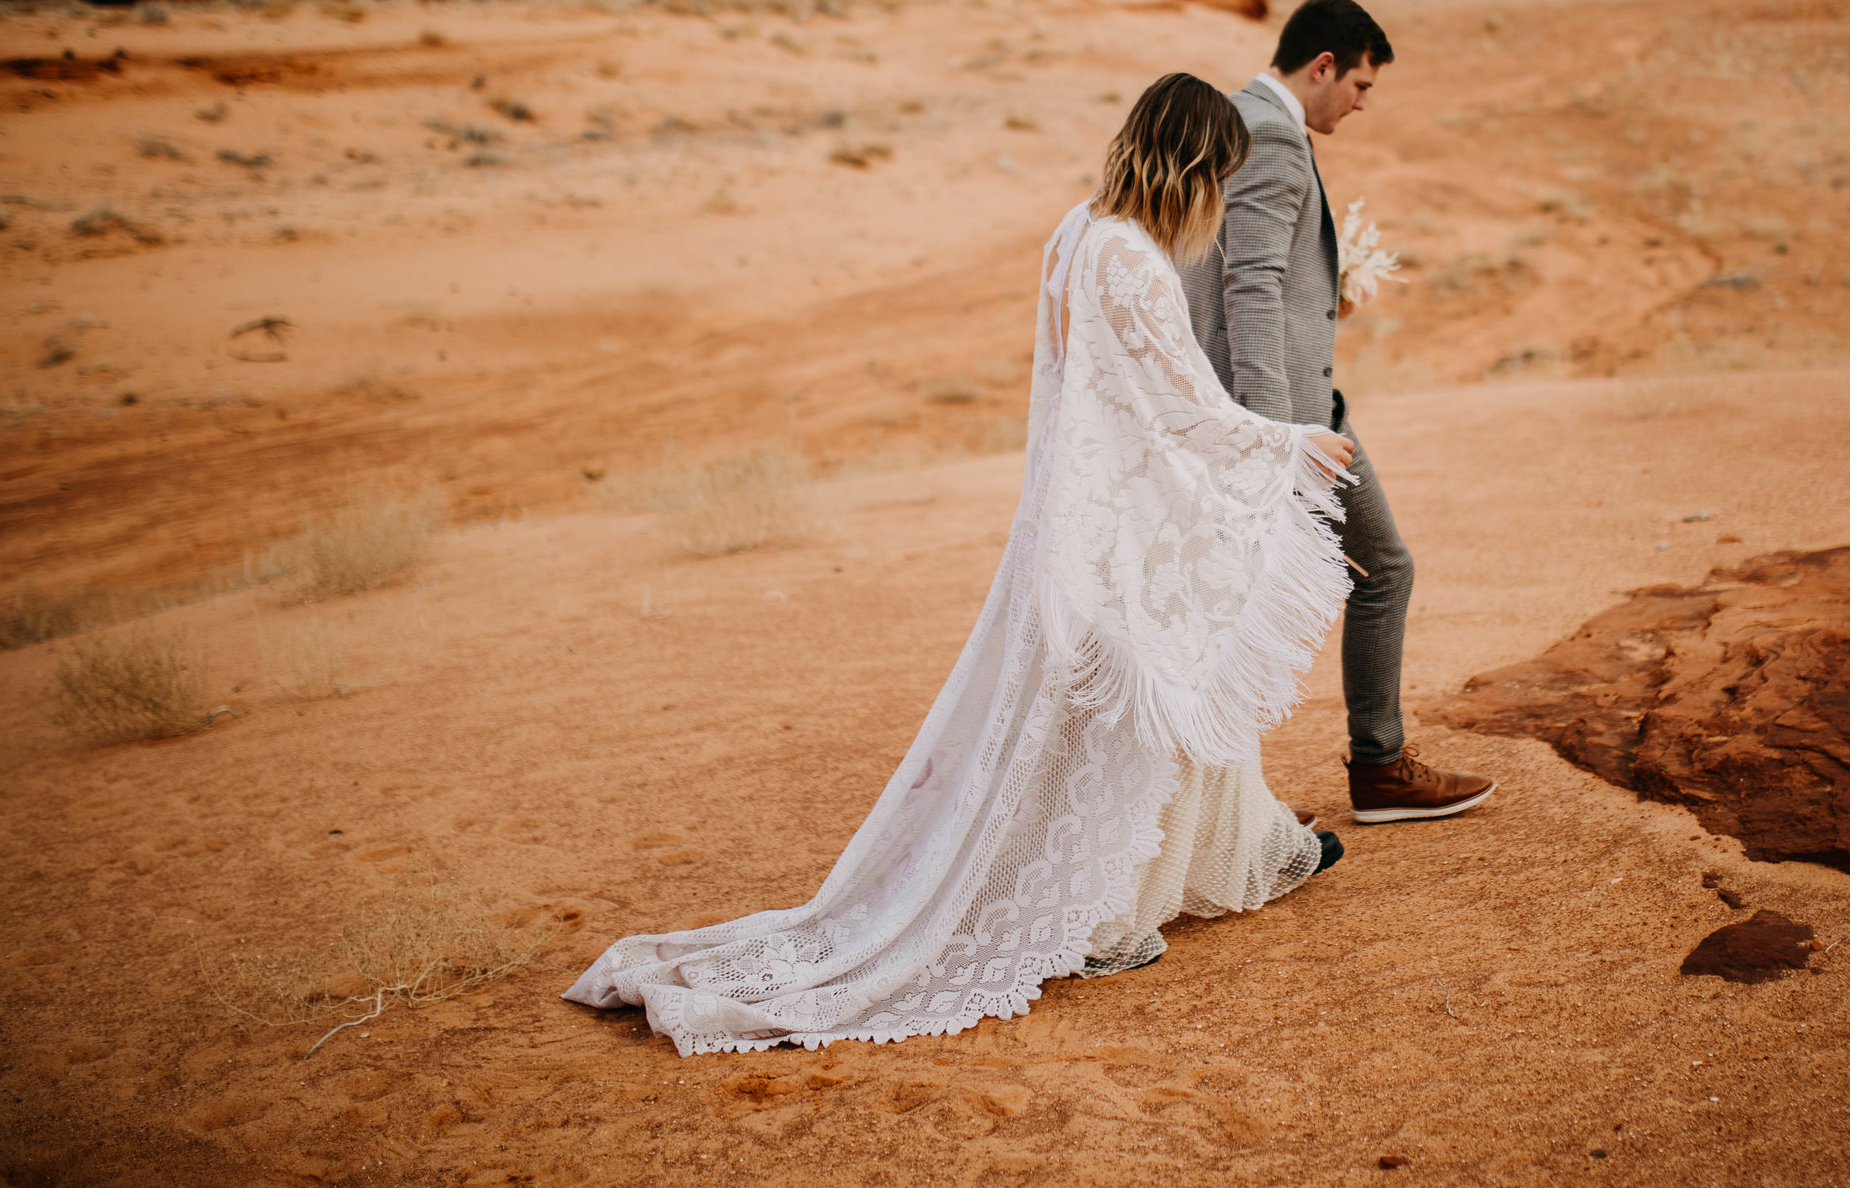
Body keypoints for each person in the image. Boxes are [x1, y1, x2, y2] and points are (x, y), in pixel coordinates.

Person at [564, 74, 1358, 1055]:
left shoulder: (1077, 231)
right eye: (1219, 180)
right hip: (1109, 533)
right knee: (1148, 709)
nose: (1219, 202)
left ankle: (1253, 850)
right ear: (1193, 165)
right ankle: (1107, 920)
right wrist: (1285, 445)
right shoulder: (1135, 260)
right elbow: (1182, 405)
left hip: (1071, 523)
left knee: (1161, 701)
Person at [1179, 0, 1496, 824]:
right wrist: (1279, 439)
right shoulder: (1274, 135)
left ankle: (1370, 767)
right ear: (1322, 65)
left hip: (1298, 410)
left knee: (1342, 576)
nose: (1361, 103)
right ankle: (1363, 773)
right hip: (1285, 421)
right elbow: (1249, 285)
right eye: (1358, 83)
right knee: (1349, 577)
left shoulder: (1238, 117)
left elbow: (1253, 277)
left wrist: (1330, 299)